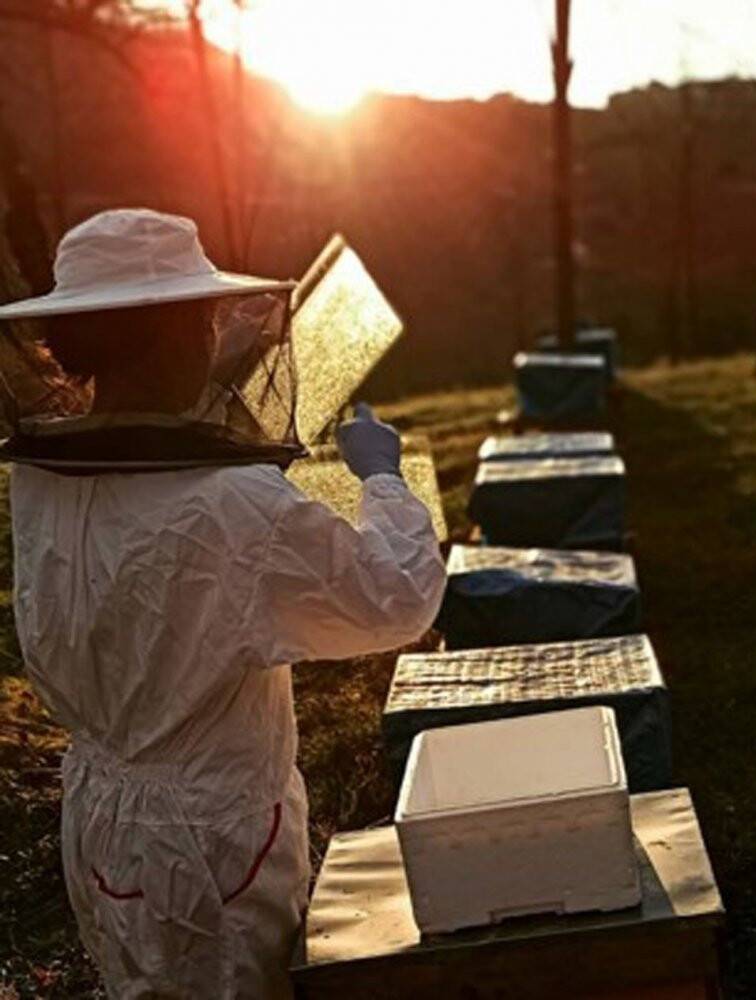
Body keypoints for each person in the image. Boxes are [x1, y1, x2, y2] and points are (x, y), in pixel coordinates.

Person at [0, 209, 446, 998]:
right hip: (212, 842)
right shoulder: (232, 504)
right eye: (206, 320)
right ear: (187, 336)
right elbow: (398, 599)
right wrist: (382, 480)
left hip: (100, 818)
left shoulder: (42, 479)